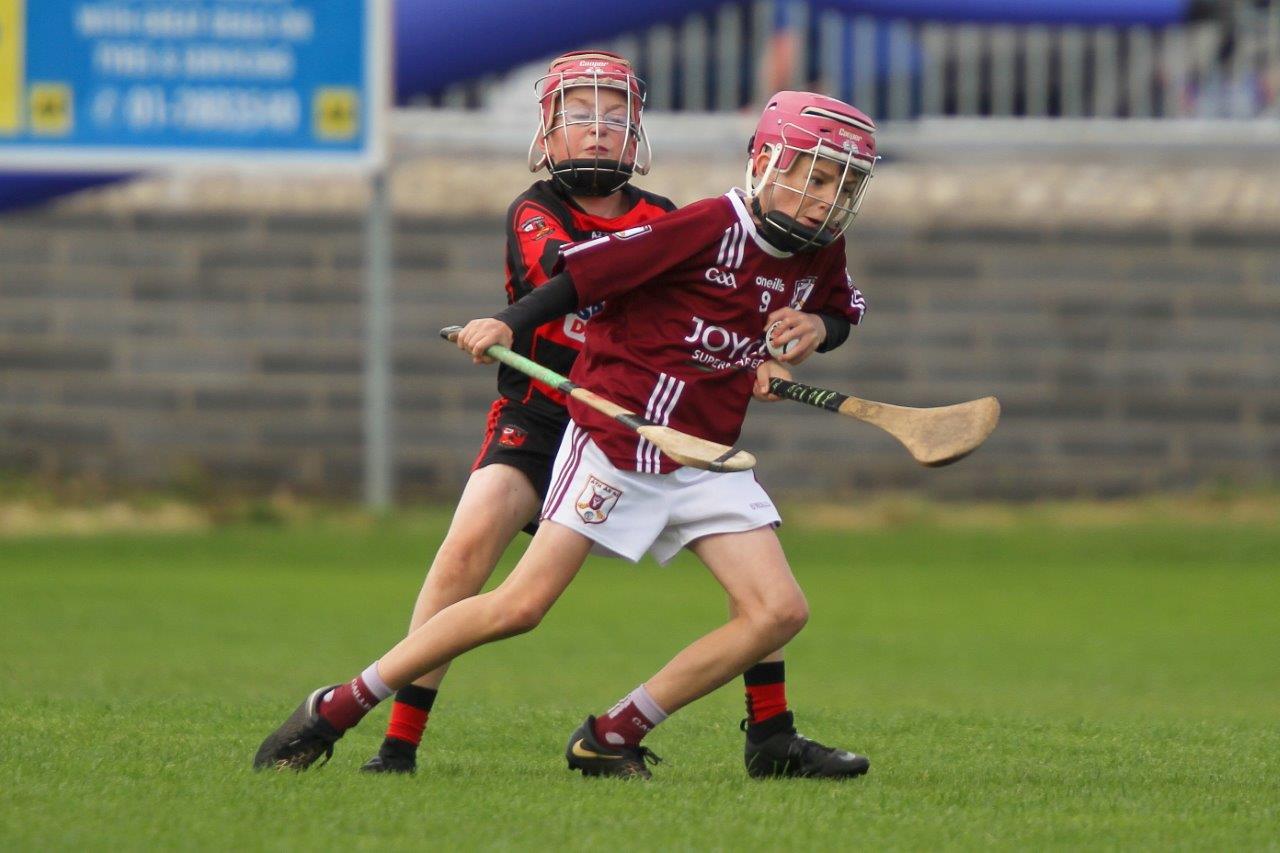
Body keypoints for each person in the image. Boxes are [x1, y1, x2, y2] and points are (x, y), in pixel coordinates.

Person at [256, 89, 877, 781]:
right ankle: (340, 704)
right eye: (817, 178)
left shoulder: (819, 248)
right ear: (765, 161)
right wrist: (507, 321)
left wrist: (817, 330)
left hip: (705, 456)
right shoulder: (704, 225)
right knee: (519, 607)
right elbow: (587, 275)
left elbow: (837, 307)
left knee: (777, 611)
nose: (827, 200)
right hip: (616, 443)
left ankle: (613, 735)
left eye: (844, 186)